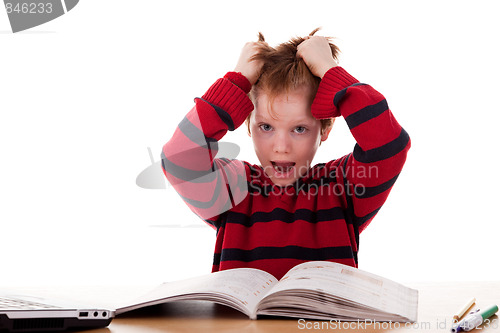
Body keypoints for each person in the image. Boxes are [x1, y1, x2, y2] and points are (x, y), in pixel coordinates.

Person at [161, 29, 411, 280]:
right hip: (241, 321)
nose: (281, 146)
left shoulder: (343, 186)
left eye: (299, 129)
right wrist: (237, 81)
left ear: (325, 129)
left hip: (321, 322)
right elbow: (178, 159)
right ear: (250, 125)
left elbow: (389, 145)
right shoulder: (233, 187)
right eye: (266, 127)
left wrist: (329, 69)